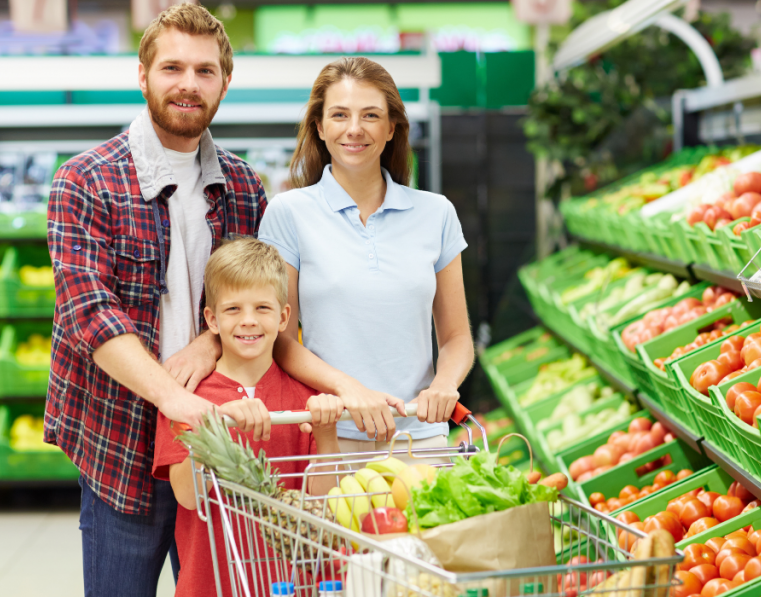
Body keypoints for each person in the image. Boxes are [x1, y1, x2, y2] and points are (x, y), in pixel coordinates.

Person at [44, 5, 266, 596]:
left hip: (219, 450)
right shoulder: (85, 181)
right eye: (172, 67)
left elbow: (257, 301)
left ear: (224, 81)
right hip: (123, 443)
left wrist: (207, 340)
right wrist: (174, 399)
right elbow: (89, 312)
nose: (188, 84)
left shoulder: (243, 187)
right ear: (142, 75)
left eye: (205, 70)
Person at [258, 57, 475, 464]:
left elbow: (457, 337)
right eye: (339, 114)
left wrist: (444, 386)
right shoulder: (287, 214)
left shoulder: (436, 213)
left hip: (421, 438)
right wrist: (349, 390)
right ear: (320, 127)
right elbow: (281, 341)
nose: (354, 129)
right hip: (330, 437)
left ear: (392, 127)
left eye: (370, 115)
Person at [153, 237, 343, 597]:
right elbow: (187, 495)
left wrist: (328, 434)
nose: (249, 321)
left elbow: (323, 504)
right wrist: (215, 428)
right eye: (233, 310)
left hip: (295, 585)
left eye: (262, 308)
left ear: (284, 317)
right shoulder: (187, 399)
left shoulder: (304, 396)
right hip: (211, 586)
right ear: (211, 319)